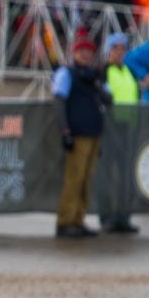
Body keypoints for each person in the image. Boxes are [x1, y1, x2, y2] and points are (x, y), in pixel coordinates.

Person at [52, 33, 111, 238]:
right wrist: (65, 131)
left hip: (94, 133)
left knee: (86, 180)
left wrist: (98, 83)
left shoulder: (93, 76)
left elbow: (109, 99)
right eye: (82, 51)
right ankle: (66, 221)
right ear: (75, 53)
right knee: (74, 179)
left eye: (89, 52)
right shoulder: (67, 73)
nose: (86, 55)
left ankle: (78, 219)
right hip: (78, 133)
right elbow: (59, 101)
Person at [98, 34, 140, 234]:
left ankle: (123, 216)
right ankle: (106, 217)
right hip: (109, 128)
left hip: (126, 128)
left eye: (122, 48)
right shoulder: (103, 72)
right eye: (115, 48)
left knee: (125, 175)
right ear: (109, 51)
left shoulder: (129, 71)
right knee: (107, 175)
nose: (119, 52)